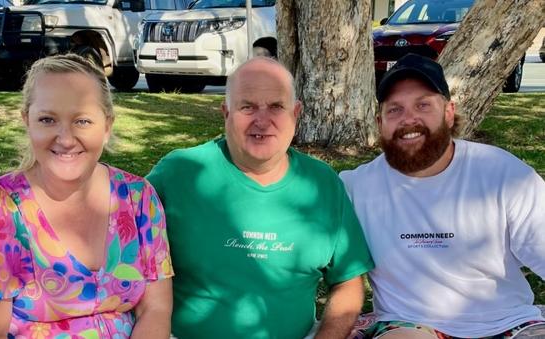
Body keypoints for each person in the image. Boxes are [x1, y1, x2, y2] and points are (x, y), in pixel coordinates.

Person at [0, 54, 174, 338]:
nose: (65, 138)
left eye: (83, 121)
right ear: (27, 121)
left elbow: (156, 309)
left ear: (107, 125)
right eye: (48, 119)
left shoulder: (139, 198)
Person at [146, 57, 374, 339]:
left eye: (277, 106)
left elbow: (349, 281)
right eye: (247, 107)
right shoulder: (179, 173)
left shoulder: (322, 184)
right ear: (225, 112)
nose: (262, 120)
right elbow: (119, 240)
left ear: (296, 113)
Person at [339, 53, 545, 339]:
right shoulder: (355, 187)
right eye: (394, 109)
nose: (408, 119)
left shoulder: (503, 173)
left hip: (508, 322)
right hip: (408, 324)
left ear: (449, 113)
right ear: (379, 122)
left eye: (423, 105)